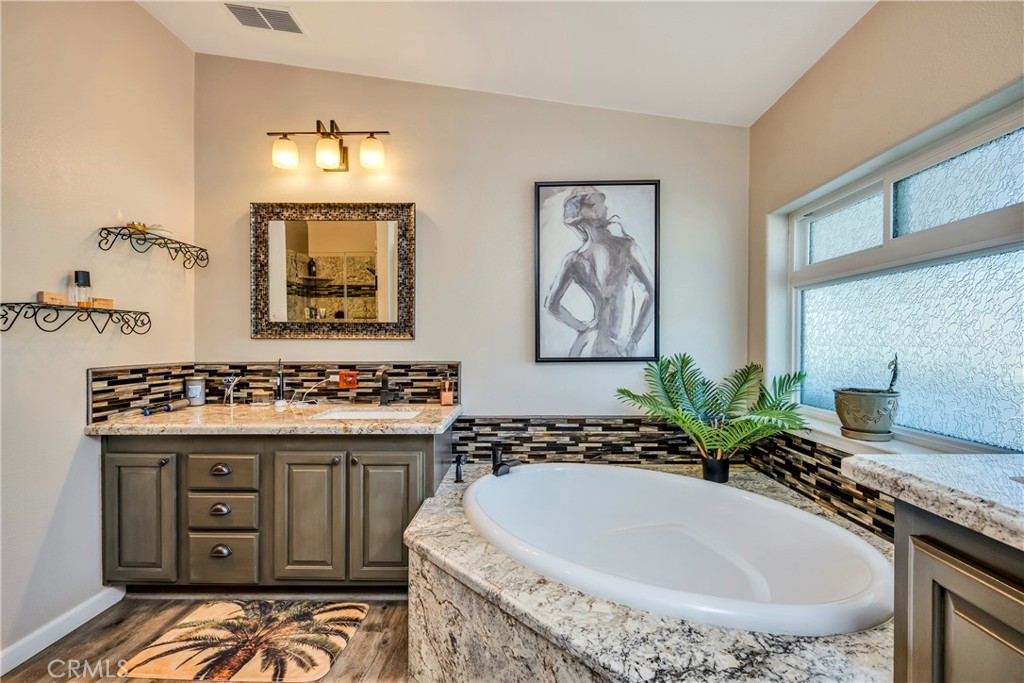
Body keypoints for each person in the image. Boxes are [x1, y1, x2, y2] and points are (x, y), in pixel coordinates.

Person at [544, 186, 655, 357]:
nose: (607, 208)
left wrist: (582, 328)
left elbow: (551, 304)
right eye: (601, 203)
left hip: (588, 344)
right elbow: (654, 293)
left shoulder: (574, 259)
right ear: (592, 211)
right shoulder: (627, 248)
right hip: (619, 344)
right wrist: (634, 339)